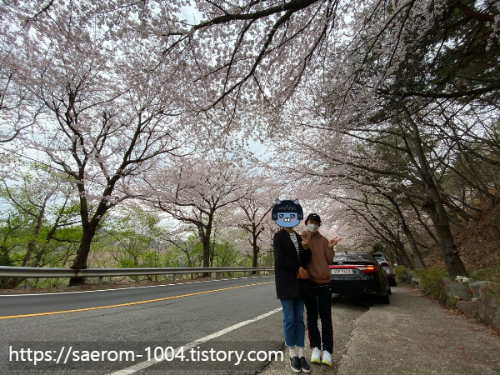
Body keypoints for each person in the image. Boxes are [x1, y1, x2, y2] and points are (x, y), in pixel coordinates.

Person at [272, 199, 312, 374]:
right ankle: (292, 354)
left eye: (292, 215)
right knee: (289, 319)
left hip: (300, 283)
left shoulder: (298, 236)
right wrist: (298, 268)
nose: (288, 218)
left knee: (299, 319)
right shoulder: (278, 237)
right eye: (284, 215)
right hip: (286, 283)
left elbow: (305, 260)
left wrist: (306, 247)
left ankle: (302, 353)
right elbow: (280, 259)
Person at [301, 213, 341, 366]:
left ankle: (327, 351)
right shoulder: (300, 238)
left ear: (319, 225)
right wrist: (304, 248)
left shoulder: (324, 240)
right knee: (311, 318)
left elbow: (329, 260)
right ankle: (315, 348)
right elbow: (300, 259)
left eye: (316, 222)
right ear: (306, 223)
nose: (313, 224)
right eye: (311, 222)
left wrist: (330, 248)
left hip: (324, 283)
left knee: (326, 318)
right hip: (309, 284)